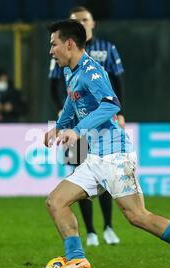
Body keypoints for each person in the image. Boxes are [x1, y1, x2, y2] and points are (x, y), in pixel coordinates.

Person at [43, 20, 170, 268]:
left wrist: (77, 130)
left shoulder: (92, 70)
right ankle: (77, 259)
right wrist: (60, 126)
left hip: (116, 154)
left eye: (53, 44)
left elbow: (112, 104)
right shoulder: (71, 72)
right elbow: (71, 101)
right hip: (95, 159)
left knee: (137, 216)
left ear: (69, 43)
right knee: (56, 202)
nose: (50, 50)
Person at [48, 5, 125, 247]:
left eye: (85, 19)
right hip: (75, 127)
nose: (82, 22)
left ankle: (109, 227)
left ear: (92, 23)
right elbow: (64, 92)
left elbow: (116, 89)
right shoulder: (66, 64)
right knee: (77, 171)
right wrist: (61, 123)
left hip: (100, 133)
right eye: (76, 20)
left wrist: (121, 113)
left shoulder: (104, 51)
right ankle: (90, 231)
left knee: (133, 211)